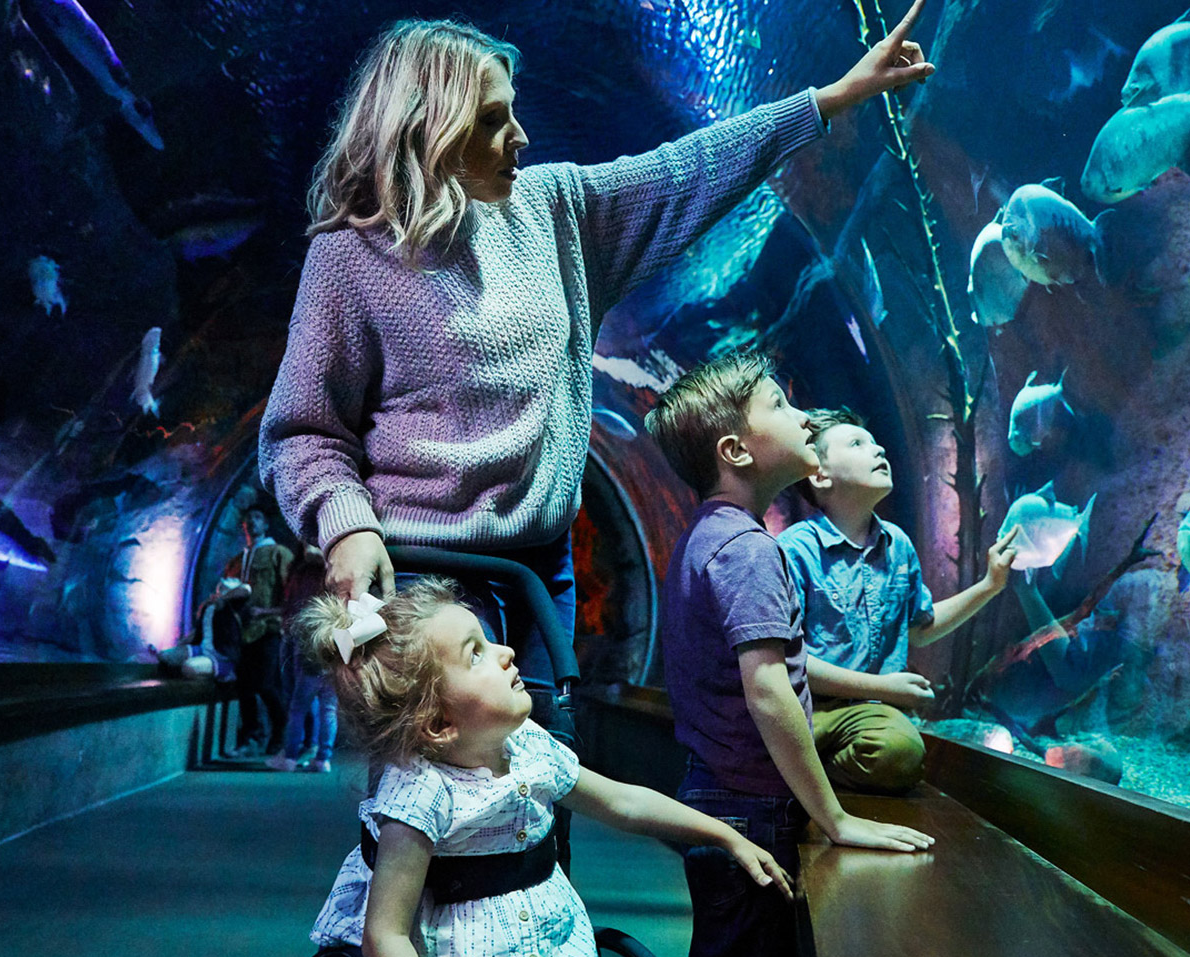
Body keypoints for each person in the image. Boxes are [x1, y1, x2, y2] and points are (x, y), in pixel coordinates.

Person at [258, 3, 938, 744]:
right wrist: (345, 526)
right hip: (423, 571)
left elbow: (686, 171)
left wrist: (829, 100)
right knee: (440, 809)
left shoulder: (554, 211)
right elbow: (302, 431)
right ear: (428, 128)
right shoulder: (351, 257)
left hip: (541, 567)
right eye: (491, 120)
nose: (519, 136)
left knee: (546, 775)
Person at [296, 578, 792, 957]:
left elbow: (621, 801)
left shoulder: (530, 746)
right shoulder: (420, 794)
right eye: (476, 654)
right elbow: (386, 935)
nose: (507, 652)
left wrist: (723, 834)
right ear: (439, 724)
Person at [642, 352, 935, 957]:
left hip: (716, 792)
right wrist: (835, 819)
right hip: (749, 810)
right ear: (737, 451)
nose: (803, 416)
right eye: (780, 403)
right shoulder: (749, 552)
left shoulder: (706, 539)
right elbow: (769, 690)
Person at [778, 407, 1018, 793]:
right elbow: (788, 662)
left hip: (870, 718)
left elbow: (920, 629)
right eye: (857, 443)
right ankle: (801, 774)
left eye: (875, 443)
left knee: (900, 750)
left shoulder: (898, 545)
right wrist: (883, 688)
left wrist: (990, 584)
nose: (879, 450)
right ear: (820, 476)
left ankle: (805, 775)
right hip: (808, 708)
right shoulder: (794, 550)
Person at [269, 544, 338, 772]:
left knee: (298, 705)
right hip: (332, 637)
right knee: (328, 707)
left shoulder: (306, 568)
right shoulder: (334, 564)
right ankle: (322, 759)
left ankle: (289, 756)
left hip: (307, 638)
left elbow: (293, 602)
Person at [233, 508, 295, 758]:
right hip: (244, 631)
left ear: (266, 523)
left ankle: (280, 735)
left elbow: (290, 592)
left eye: (257, 517)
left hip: (269, 628)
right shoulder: (238, 559)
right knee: (244, 687)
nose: (251, 521)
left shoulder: (278, 553)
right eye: (248, 518)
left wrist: (271, 612)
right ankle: (252, 736)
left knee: (267, 684)